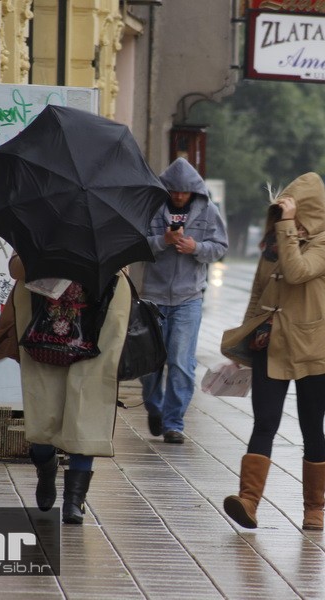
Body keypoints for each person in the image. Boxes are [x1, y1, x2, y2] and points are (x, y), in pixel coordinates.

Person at [220, 172, 325, 531]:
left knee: (312, 426)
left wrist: (288, 227)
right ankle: (247, 501)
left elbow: (296, 272)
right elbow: (258, 296)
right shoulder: (275, 243)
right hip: (271, 345)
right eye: (277, 212)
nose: (280, 218)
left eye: (288, 211)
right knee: (265, 421)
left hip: (314, 347)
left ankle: (314, 509)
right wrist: (241, 347)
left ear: (308, 211)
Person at [10, 254, 132, 524]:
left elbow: (122, 270)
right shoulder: (40, 218)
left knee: (87, 404)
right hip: (42, 322)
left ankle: (74, 500)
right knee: (43, 405)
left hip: (98, 319)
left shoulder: (110, 224)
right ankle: (45, 464)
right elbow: (16, 268)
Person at [139, 158, 228, 443]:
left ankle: (174, 422)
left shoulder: (208, 212)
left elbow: (220, 248)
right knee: (150, 362)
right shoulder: (152, 211)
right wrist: (162, 241)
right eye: (173, 190)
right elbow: (136, 245)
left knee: (180, 361)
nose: (178, 196)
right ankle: (155, 407)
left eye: (184, 191)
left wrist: (195, 247)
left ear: (195, 191)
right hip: (152, 297)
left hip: (188, 298)